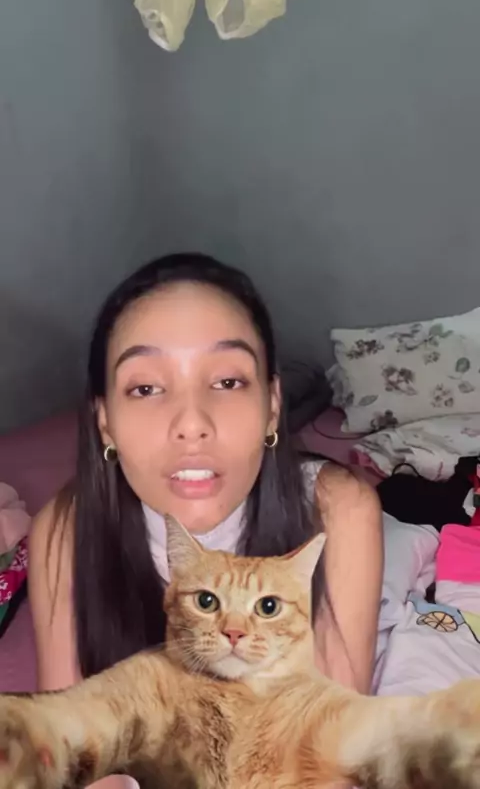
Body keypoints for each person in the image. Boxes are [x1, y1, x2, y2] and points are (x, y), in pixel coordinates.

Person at [28, 252, 383, 789]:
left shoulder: (339, 511)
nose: (192, 424)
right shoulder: (64, 530)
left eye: (227, 382)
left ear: (272, 405)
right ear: (104, 423)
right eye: (146, 388)